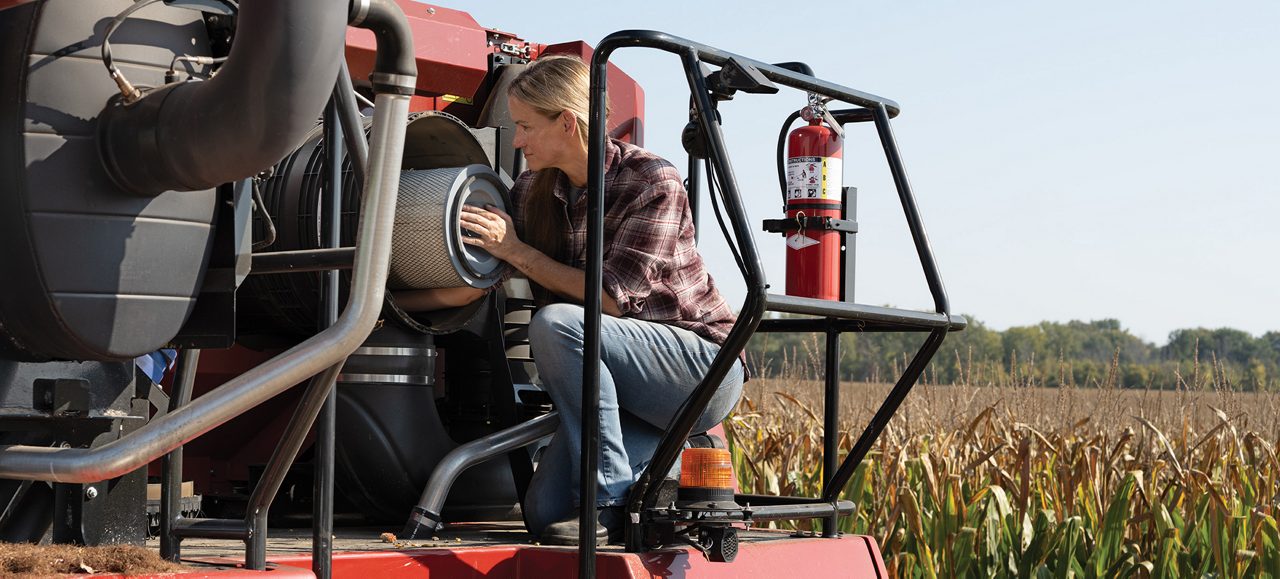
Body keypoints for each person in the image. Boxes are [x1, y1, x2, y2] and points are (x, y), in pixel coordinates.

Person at [395, 55, 744, 545]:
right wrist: (385, 296)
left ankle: (612, 497)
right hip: (621, 389)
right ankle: (655, 462)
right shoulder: (533, 189)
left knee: (559, 323)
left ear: (567, 121)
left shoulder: (652, 180)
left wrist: (514, 249)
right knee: (546, 516)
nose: (516, 140)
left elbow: (611, 301)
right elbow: (485, 279)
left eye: (524, 126)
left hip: (698, 370)